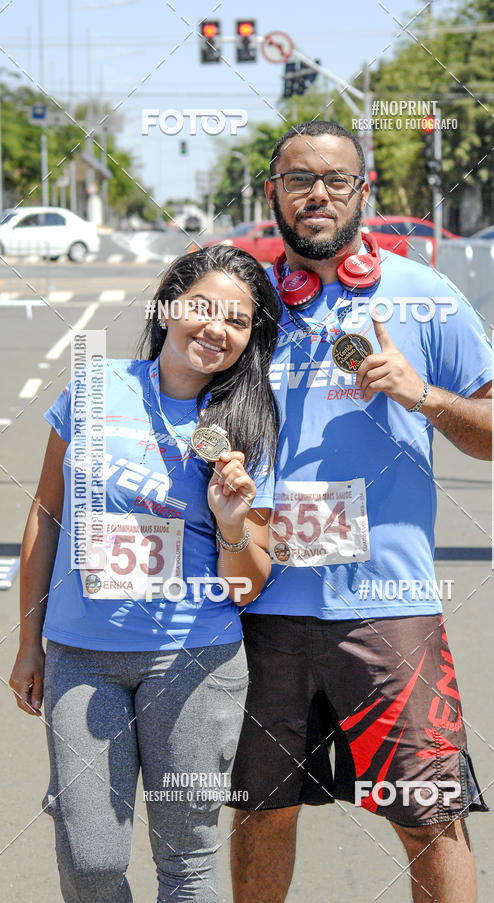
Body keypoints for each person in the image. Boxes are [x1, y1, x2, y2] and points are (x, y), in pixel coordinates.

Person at [229, 121, 494, 903]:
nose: (317, 193)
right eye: (299, 178)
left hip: (388, 610)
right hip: (258, 603)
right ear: (271, 190)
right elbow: (183, 403)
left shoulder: (424, 295)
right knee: (260, 812)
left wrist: (425, 395)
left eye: (335, 180)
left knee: (429, 815)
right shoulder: (238, 302)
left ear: (363, 192)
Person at [9, 246, 281, 903]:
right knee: (91, 857)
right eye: (203, 308)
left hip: (195, 660)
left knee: (187, 860)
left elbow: (247, 583)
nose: (217, 328)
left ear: (250, 339)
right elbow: (47, 511)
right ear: (168, 308)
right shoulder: (95, 386)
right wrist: (27, 642)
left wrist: (231, 519)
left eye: (238, 321)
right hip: (82, 656)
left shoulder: (237, 428)